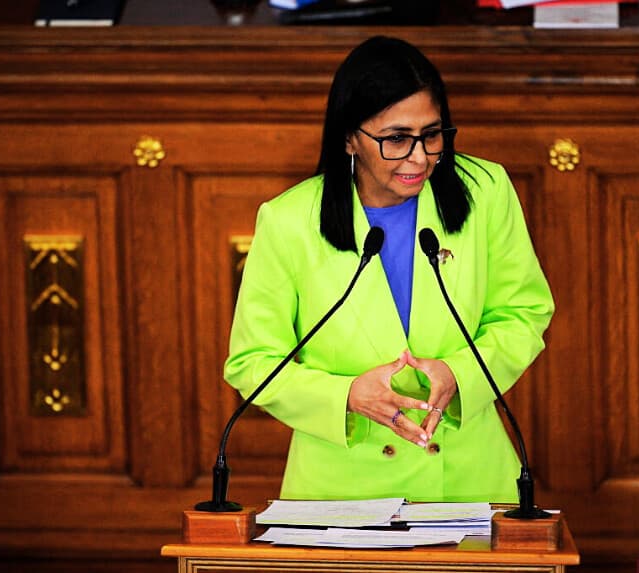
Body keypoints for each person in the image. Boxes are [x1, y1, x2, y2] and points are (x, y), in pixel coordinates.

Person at [224, 36, 554, 503]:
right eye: (397, 139)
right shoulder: (288, 221)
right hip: (340, 495)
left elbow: (524, 312)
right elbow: (253, 362)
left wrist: (460, 375)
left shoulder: (486, 192)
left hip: (469, 482)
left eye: (433, 135)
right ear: (348, 137)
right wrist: (346, 397)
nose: (420, 157)